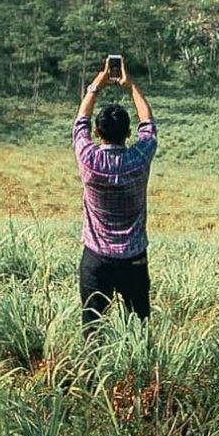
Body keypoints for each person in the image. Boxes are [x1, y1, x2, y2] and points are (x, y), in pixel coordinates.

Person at [73, 57, 157, 337]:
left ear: (98, 133)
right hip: (134, 258)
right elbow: (149, 125)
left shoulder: (89, 159)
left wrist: (97, 83)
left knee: (93, 329)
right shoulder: (139, 157)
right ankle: (140, 376)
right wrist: (131, 85)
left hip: (97, 258)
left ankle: (93, 378)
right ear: (128, 133)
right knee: (140, 330)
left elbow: (80, 123)